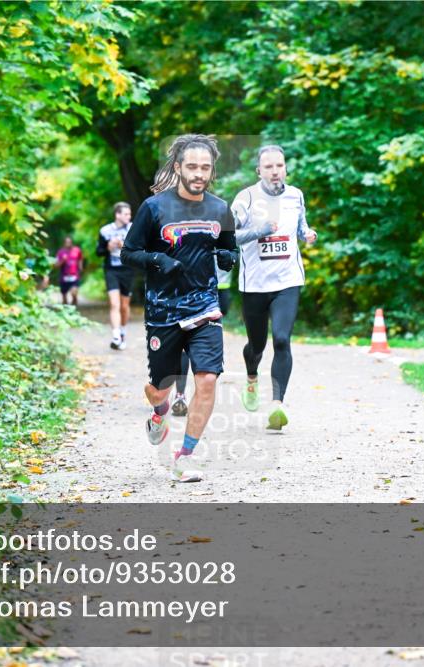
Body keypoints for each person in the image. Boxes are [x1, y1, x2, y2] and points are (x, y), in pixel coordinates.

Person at [120, 134, 237, 483]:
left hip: (204, 307)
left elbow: (228, 247)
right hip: (163, 311)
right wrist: (157, 259)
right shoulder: (154, 208)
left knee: (207, 379)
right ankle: (159, 413)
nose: (198, 173)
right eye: (192, 167)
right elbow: (128, 253)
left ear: (212, 170)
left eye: (205, 167)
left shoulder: (220, 208)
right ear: (178, 168)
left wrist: (230, 257)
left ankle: (184, 455)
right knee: (160, 388)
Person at [232, 145, 316, 430]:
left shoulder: (296, 196)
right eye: (268, 167)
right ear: (259, 171)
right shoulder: (245, 199)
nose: (275, 171)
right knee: (257, 345)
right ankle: (252, 376)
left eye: (279, 165)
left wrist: (307, 234)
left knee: (281, 339)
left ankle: (277, 405)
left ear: (285, 168)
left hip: (287, 281)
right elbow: (229, 237)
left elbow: (300, 224)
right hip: (254, 284)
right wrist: (259, 231)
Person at [171, 264, 232, 417]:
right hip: (186, 291)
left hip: (219, 289)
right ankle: (180, 394)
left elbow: (236, 244)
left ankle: (199, 395)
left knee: (201, 349)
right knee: (183, 347)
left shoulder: (222, 239)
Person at [97, 202, 135, 350]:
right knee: (114, 304)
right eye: (126, 214)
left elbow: (140, 248)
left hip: (128, 270)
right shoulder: (105, 231)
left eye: (129, 214)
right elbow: (98, 252)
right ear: (117, 215)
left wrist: (124, 246)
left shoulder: (133, 229)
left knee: (124, 306)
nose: (129, 216)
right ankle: (115, 335)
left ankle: (123, 331)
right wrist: (107, 247)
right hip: (111, 270)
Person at [54, 236, 83, 306]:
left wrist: (80, 267)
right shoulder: (60, 252)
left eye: (69, 242)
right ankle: (66, 311)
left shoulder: (77, 250)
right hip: (64, 276)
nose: (68, 244)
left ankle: (74, 301)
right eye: (66, 242)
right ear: (64, 243)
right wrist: (63, 261)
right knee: (64, 298)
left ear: (72, 242)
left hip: (74, 275)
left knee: (74, 292)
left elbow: (80, 259)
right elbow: (56, 265)